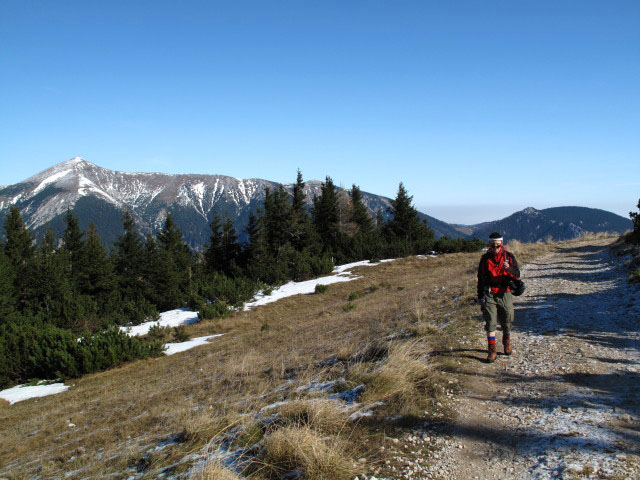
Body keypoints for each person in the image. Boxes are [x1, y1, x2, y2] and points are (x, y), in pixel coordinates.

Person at [477, 232, 521, 363]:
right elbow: (480, 279)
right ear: (489, 245)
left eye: (498, 244)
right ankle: (492, 350)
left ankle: (506, 342)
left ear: (501, 243)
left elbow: (517, 274)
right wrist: (480, 296)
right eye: (493, 244)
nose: (495, 246)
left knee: (507, 319)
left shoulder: (509, 257)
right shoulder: (485, 259)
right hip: (490, 293)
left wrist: (509, 270)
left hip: (505, 292)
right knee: (490, 322)